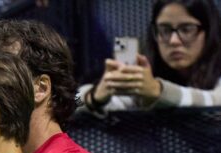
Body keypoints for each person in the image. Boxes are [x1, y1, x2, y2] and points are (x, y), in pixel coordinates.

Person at [80, 0, 221, 114]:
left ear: (209, 32)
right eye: (164, 30)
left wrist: (159, 91)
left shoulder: (154, 86)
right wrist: (94, 96)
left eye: (187, 29)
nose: (174, 40)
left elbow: (215, 101)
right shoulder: (149, 75)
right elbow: (69, 103)